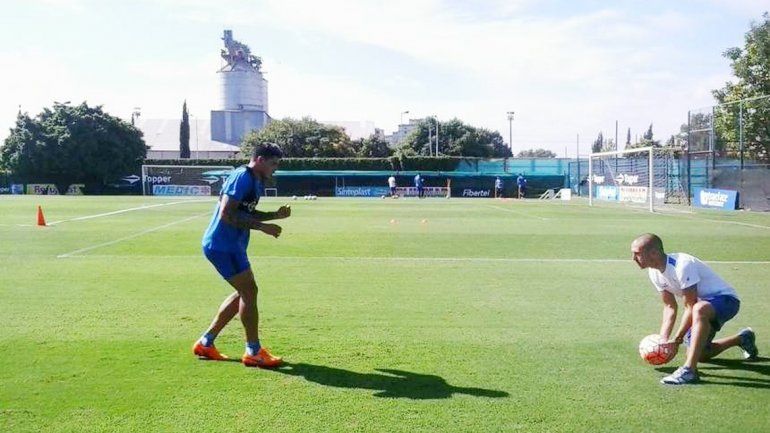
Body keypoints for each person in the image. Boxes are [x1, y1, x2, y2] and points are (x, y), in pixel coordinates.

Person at [193, 142, 291, 368]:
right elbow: (227, 213)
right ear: (260, 160)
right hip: (223, 245)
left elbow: (245, 212)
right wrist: (261, 227)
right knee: (249, 291)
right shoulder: (242, 177)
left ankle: (206, 343)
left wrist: (273, 216)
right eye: (273, 163)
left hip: (231, 246)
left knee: (244, 292)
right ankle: (253, 351)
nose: (275, 168)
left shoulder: (255, 181)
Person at [631, 233, 758, 385]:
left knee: (699, 308)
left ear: (654, 253)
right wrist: (663, 341)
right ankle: (743, 338)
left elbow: (690, 306)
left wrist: (677, 341)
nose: (633, 258)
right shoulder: (654, 272)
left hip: (726, 301)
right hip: (701, 308)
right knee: (700, 354)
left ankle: (689, 371)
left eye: (637, 253)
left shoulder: (682, 265)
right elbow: (670, 306)